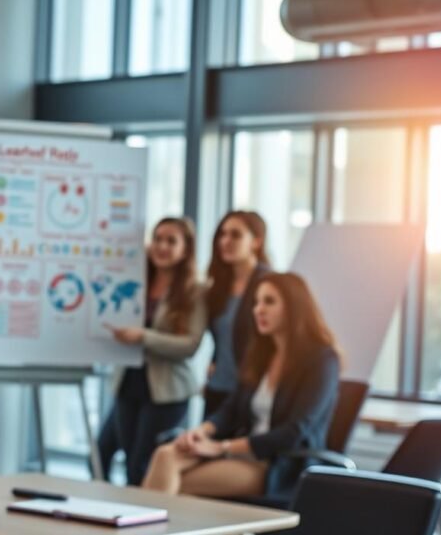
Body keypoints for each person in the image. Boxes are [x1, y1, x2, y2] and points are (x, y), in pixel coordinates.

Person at [142, 273, 341, 500]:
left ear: (294, 306)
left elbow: (295, 432)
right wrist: (201, 432)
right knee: (165, 455)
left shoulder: (323, 360)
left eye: (269, 301)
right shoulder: (262, 355)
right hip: (241, 453)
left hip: (279, 463)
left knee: (177, 484)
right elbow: (232, 410)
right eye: (256, 302)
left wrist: (222, 447)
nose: (258, 310)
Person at [100, 217, 207, 486]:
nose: (162, 246)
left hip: (166, 389)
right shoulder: (134, 281)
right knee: (114, 453)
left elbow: (190, 345)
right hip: (129, 382)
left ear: (186, 249)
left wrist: (145, 337)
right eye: (158, 239)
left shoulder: (195, 291)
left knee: (141, 464)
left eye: (171, 241)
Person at [203, 210, 271, 416]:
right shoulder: (218, 286)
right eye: (222, 234)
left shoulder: (268, 285)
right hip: (217, 387)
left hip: (250, 391)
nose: (226, 241)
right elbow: (223, 334)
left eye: (236, 235)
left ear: (256, 241)